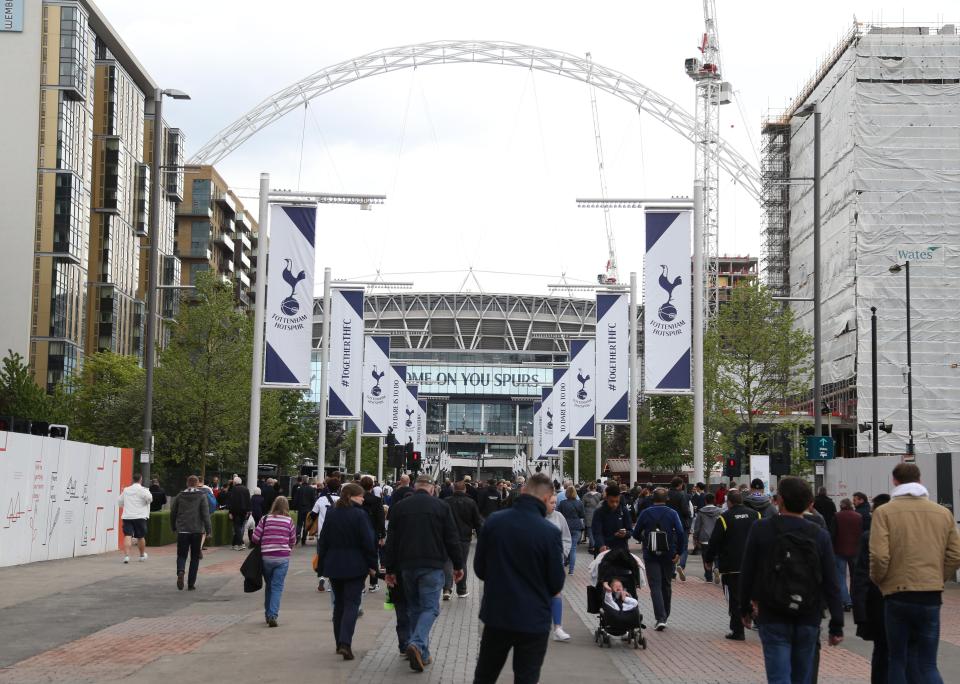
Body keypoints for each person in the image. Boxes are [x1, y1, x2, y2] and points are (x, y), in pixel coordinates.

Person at [740, 476, 844, 684]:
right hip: (808, 614)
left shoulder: (761, 529)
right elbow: (832, 582)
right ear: (809, 504)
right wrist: (837, 624)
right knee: (803, 677)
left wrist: (744, 608)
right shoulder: (820, 535)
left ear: (779, 500)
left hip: (773, 613)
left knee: (779, 677)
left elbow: (748, 571)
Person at [870, 463, 960, 684]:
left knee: (897, 659)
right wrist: (939, 578)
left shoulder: (884, 512)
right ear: (919, 481)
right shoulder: (942, 513)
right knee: (928, 663)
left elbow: (880, 556)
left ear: (895, 481)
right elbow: (955, 553)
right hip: (930, 594)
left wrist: (880, 580)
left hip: (897, 593)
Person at [472, 473, 565, 684]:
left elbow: (480, 569)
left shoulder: (495, 522)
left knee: (485, 675)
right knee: (527, 678)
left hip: (497, 614)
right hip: (534, 619)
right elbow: (556, 582)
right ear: (546, 498)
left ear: (524, 491)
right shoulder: (549, 532)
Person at [383, 475, 464, 673]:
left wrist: (389, 569)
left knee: (414, 609)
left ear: (415, 486)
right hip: (433, 564)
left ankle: (423, 654)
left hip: (406, 566)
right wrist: (458, 565)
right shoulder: (441, 507)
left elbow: (391, 541)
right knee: (430, 609)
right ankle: (417, 644)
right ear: (432, 488)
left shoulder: (400, 508)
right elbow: (451, 538)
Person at [316, 483, 378, 660]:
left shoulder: (332, 514)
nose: (363, 498)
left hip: (334, 565)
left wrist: (321, 567)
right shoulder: (360, 515)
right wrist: (373, 564)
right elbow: (368, 542)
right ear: (351, 496)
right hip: (355, 565)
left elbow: (324, 542)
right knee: (352, 604)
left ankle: (339, 643)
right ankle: (345, 642)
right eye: (360, 496)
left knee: (339, 606)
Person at [703, 489, 760, 641]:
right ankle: (759, 621)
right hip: (753, 564)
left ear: (729, 502)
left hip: (731, 566)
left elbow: (715, 541)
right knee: (754, 595)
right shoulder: (756, 515)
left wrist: (708, 559)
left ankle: (738, 630)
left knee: (734, 599)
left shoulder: (725, 517)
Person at [632, 487, 684, 630]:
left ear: (652, 499)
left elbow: (635, 533)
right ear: (667, 499)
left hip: (650, 554)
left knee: (655, 585)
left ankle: (660, 617)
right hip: (669, 554)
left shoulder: (645, 513)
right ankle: (665, 616)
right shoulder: (673, 513)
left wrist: (645, 538)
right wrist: (679, 551)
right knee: (666, 584)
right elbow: (680, 533)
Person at [852, 493, 891, 684]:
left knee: (882, 651)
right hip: (908, 599)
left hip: (879, 603)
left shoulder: (870, 537)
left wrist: (859, 613)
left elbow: (861, 577)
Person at [250, 495, 297, 627]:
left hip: (266, 557)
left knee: (269, 586)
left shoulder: (265, 519)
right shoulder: (289, 521)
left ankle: (268, 614)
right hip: (282, 557)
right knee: (277, 587)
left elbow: (255, 538)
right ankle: (273, 615)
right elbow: (292, 540)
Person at [170, 475, 212, 591]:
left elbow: (173, 512)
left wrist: (173, 527)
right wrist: (209, 530)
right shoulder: (202, 496)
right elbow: (205, 514)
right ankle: (191, 583)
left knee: (181, 555)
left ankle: (181, 571)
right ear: (198, 483)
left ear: (187, 483)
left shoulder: (180, 495)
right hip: (197, 530)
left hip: (183, 530)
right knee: (194, 557)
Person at [444, 480, 484, 598]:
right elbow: (477, 522)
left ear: (453, 489)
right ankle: (461, 589)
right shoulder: (471, 502)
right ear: (465, 489)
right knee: (462, 563)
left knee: (448, 562)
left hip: (447, 537)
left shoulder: (446, 502)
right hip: (464, 537)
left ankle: (447, 588)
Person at [545, 491, 572, 641]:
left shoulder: (559, 517)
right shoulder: (535, 517)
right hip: (537, 563)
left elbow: (566, 538)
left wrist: (563, 554)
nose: (554, 505)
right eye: (551, 502)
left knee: (556, 592)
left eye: (556, 502)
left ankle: (558, 628)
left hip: (555, 562)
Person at [831, 498, 862, 611]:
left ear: (841, 506)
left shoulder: (837, 516)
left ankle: (846, 601)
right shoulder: (858, 516)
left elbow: (833, 534)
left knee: (841, 577)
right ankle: (854, 599)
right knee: (855, 577)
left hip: (839, 551)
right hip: (855, 551)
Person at [310, 478, 340, 592]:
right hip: (336, 533)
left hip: (322, 532)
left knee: (321, 555)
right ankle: (331, 581)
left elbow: (313, 514)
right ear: (338, 488)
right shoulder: (341, 500)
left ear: (327, 486)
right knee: (334, 556)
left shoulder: (321, 499)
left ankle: (321, 576)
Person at [118, 473, 153, 564]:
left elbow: (120, 502)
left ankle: (126, 556)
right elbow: (149, 499)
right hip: (140, 516)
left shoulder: (126, 490)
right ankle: (141, 555)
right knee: (140, 537)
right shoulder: (143, 490)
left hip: (127, 516)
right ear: (141, 479)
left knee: (127, 535)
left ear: (132, 479)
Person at [360, 476, 386, 592]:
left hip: (360, 532)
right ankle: (373, 583)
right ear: (372, 486)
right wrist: (382, 535)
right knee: (373, 557)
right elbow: (381, 519)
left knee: (360, 556)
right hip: (373, 532)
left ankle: (360, 583)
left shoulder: (358, 499)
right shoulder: (376, 500)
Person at [592, 483, 633, 553]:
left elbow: (630, 531)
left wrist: (625, 534)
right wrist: (601, 545)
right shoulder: (599, 512)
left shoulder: (624, 510)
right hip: (604, 549)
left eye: (617, 501)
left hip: (621, 550)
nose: (614, 504)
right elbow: (597, 532)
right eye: (612, 501)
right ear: (606, 498)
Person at [666, 477, 692, 580]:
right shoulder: (682, 495)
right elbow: (685, 511)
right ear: (680, 485)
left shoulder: (666, 494)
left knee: (671, 547)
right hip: (681, 524)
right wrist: (689, 516)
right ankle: (681, 565)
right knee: (684, 547)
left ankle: (672, 573)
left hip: (668, 525)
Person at [691, 493, 722, 582]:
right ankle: (717, 567)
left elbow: (697, 526)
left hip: (704, 538)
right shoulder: (720, 511)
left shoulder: (701, 512)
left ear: (705, 501)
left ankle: (708, 577)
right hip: (717, 537)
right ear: (714, 500)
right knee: (716, 555)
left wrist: (695, 537)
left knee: (705, 557)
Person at [556, 486, 585, 575]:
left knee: (564, 546)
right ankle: (571, 571)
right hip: (576, 526)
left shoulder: (562, 503)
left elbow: (558, 513)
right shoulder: (579, 503)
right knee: (573, 548)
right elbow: (582, 515)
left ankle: (561, 567)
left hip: (565, 526)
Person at [227, 476, 251, 550]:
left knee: (237, 527)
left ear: (235, 482)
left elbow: (232, 502)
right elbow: (248, 501)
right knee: (239, 527)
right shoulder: (246, 489)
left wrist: (230, 512)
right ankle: (234, 544)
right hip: (244, 511)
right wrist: (248, 511)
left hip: (236, 511)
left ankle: (241, 543)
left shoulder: (234, 489)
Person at [294, 478, 317, 546]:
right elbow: (313, 499)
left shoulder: (299, 489)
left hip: (301, 508)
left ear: (302, 481)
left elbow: (296, 499)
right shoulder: (311, 489)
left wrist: (295, 507)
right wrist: (313, 509)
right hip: (308, 509)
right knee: (306, 524)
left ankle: (297, 535)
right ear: (307, 481)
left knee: (299, 523)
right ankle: (304, 539)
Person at [582, 483, 603, 552]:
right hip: (598, 513)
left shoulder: (585, 495)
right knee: (597, 530)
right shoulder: (600, 495)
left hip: (588, 514)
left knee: (590, 530)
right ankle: (594, 544)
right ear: (595, 487)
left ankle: (593, 544)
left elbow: (583, 506)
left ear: (589, 488)